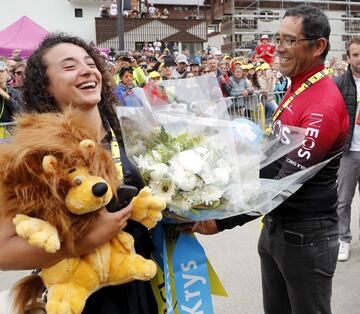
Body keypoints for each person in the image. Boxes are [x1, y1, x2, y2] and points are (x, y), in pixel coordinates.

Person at [185, 5, 349, 314]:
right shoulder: (298, 86)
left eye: (289, 40)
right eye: (278, 38)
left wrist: (222, 220)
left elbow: (283, 184)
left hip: (305, 238)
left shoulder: (322, 106)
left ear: (318, 46)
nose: (279, 48)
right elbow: (271, 160)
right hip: (275, 228)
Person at [0, 33, 158, 314]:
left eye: (89, 62)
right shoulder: (34, 155)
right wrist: (84, 241)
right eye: (69, 66)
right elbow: (3, 251)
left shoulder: (131, 134)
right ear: (46, 86)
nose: (87, 70)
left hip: (144, 279)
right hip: (81, 295)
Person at [334, 37, 360, 262]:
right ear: (348, 57)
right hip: (349, 152)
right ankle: (343, 239)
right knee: (343, 200)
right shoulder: (339, 83)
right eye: (356, 55)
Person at [0, 57, 22, 124]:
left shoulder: (15, 93)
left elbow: (20, 112)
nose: (0, 74)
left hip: (9, 133)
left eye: (2, 71)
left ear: (7, 73)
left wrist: (7, 97)